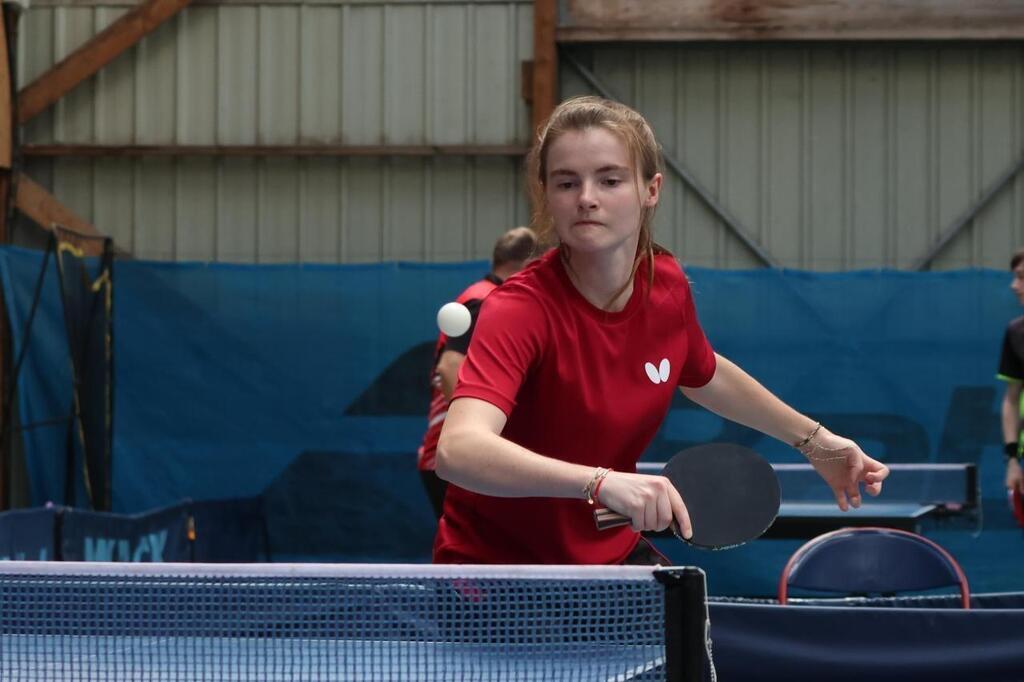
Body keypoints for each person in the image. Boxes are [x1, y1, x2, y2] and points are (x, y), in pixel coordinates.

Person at [433, 95, 890, 565]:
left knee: (685, 633)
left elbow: (703, 373)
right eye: (567, 182)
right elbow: (459, 450)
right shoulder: (521, 309)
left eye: (609, 180)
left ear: (651, 189)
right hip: (501, 574)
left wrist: (816, 441)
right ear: (547, 193)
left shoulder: (664, 282)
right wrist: (600, 482)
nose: (587, 197)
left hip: (607, 552)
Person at [417, 226, 538, 518]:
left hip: (460, 458)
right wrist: (474, 435)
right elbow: (449, 369)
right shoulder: (484, 301)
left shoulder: (488, 296)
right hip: (456, 460)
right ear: (528, 266)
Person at [998, 249, 1024, 497]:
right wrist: (1013, 461)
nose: (1014, 285)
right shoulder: (1016, 333)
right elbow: (1012, 399)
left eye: (1022, 277)